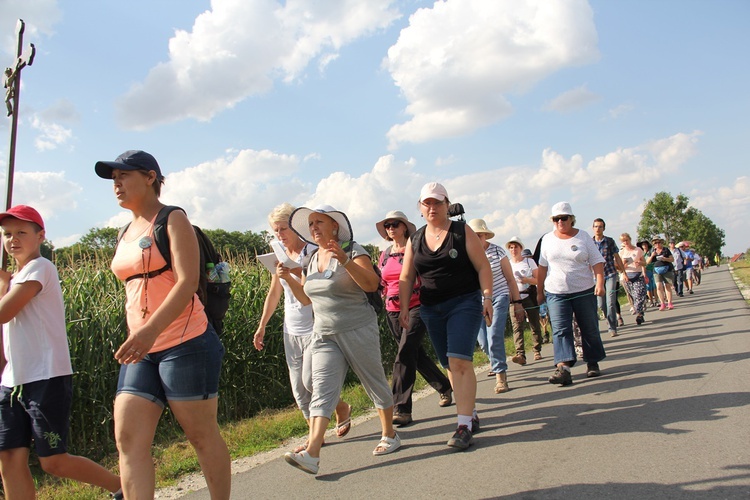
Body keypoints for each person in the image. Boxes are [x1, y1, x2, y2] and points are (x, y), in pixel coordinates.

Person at [95, 150, 230, 499]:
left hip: (187, 341)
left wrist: (150, 329)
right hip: (142, 348)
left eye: (123, 176)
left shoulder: (172, 219)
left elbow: (187, 282)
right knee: (127, 437)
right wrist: (142, 334)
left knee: (200, 435)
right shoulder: (124, 231)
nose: (117, 184)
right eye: (113, 180)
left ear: (150, 177)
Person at [0, 205, 123, 499]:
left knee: (53, 461)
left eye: (21, 232)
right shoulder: (12, 279)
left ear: (41, 235)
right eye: (7, 234)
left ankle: (122, 487)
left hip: (45, 377)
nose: (12, 239)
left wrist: (3, 284)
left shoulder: (40, 268)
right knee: (8, 458)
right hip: (12, 382)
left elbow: (5, 313)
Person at [283, 205, 400, 474]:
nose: (313, 227)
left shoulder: (352, 250)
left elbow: (372, 285)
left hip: (357, 327)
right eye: (311, 223)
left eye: (319, 222)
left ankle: (389, 434)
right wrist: (289, 279)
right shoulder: (311, 259)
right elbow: (306, 299)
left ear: (334, 226)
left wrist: (345, 261)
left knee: (373, 380)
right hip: (324, 333)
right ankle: (312, 453)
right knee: (317, 384)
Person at [399, 182, 493, 450]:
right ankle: (470, 413)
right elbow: (407, 276)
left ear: (447, 205)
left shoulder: (461, 232)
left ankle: (463, 425)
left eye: (437, 203)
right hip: (431, 308)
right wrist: (405, 307)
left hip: (465, 302)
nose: (432, 207)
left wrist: (487, 297)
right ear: (420, 208)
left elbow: (483, 267)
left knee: (459, 360)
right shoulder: (415, 240)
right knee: (449, 364)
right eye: (426, 203)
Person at [253, 203, 352, 450]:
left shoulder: (311, 252)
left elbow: (308, 292)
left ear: (295, 228)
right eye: (275, 231)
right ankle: (319, 431)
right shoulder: (278, 253)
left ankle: (332, 415)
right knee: (298, 388)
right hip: (291, 328)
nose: (280, 235)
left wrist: (293, 272)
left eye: (283, 229)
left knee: (311, 383)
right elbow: (275, 291)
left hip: (314, 325)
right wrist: (262, 325)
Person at [376, 210, 452, 425]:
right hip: (392, 309)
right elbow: (383, 282)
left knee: (405, 352)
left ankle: (401, 408)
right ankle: (444, 385)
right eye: (387, 225)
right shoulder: (384, 255)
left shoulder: (415, 248)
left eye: (395, 224)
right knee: (415, 354)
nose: (391, 228)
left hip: (417, 306)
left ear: (404, 228)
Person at [537, 202, 606, 386]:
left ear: (571, 219)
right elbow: (542, 268)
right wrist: (539, 292)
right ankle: (564, 368)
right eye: (556, 219)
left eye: (564, 218)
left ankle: (592, 362)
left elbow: (597, 261)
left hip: (583, 290)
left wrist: (599, 282)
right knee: (560, 329)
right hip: (556, 292)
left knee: (589, 327)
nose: (560, 222)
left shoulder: (583, 237)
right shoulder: (547, 239)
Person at [468, 220, 524, 394]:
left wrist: (517, 303)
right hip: (477, 300)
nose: (477, 238)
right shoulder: (467, 254)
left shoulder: (497, 251)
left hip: (499, 296)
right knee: (483, 342)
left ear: (485, 235)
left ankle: (501, 376)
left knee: (494, 336)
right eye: (474, 235)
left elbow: (510, 279)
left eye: (480, 235)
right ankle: (496, 361)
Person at [506, 236, 546, 364]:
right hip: (514, 297)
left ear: (520, 248)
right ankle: (520, 354)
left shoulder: (529, 262)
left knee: (534, 323)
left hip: (528, 295)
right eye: (511, 247)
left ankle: (536, 349)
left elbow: (539, 280)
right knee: (516, 326)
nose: (513, 250)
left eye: (515, 247)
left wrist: (527, 280)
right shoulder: (507, 263)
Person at [592, 218, 624, 337]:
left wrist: (623, 272)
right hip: (597, 277)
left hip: (610, 273)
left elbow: (617, 256)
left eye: (600, 226)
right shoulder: (590, 242)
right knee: (601, 304)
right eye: (596, 226)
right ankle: (609, 318)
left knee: (610, 301)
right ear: (593, 228)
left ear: (603, 228)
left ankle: (612, 326)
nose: (598, 229)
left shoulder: (609, 241)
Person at [618, 233, 648, 325]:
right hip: (626, 276)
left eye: (627, 240)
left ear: (630, 240)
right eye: (623, 241)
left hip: (637, 274)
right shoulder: (622, 252)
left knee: (639, 294)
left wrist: (640, 262)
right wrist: (623, 266)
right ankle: (640, 313)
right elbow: (619, 267)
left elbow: (645, 262)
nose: (626, 242)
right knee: (633, 295)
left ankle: (638, 314)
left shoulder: (638, 250)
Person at [646, 235, 675, 310]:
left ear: (661, 242)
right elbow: (647, 262)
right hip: (656, 270)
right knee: (658, 286)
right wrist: (652, 256)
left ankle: (669, 303)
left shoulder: (665, 250)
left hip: (666, 268)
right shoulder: (652, 251)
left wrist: (665, 258)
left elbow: (672, 259)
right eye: (655, 243)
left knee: (667, 286)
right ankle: (662, 303)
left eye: (659, 242)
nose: (657, 244)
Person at [639, 239, 658, 307]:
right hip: (645, 271)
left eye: (645, 244)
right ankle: (651, 301)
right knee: (648, 287)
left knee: (654, 286)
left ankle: (656, 300)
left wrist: (652, 256)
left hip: (653, 269)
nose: (644, 245)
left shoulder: (651, 251)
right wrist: (651, 256)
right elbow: (646, 262)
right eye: (643, 244)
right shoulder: (641, 254)